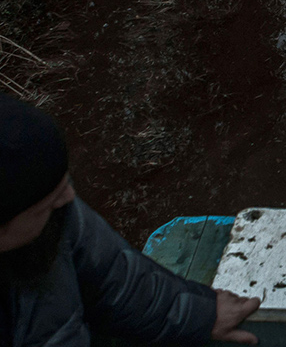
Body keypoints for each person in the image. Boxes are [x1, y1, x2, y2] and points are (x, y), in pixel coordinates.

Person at [0, 93, 260, 346]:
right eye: (46, 205)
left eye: (64, 183)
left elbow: (113, 275)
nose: (69, 196)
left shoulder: (53, 211)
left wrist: (199, 315)